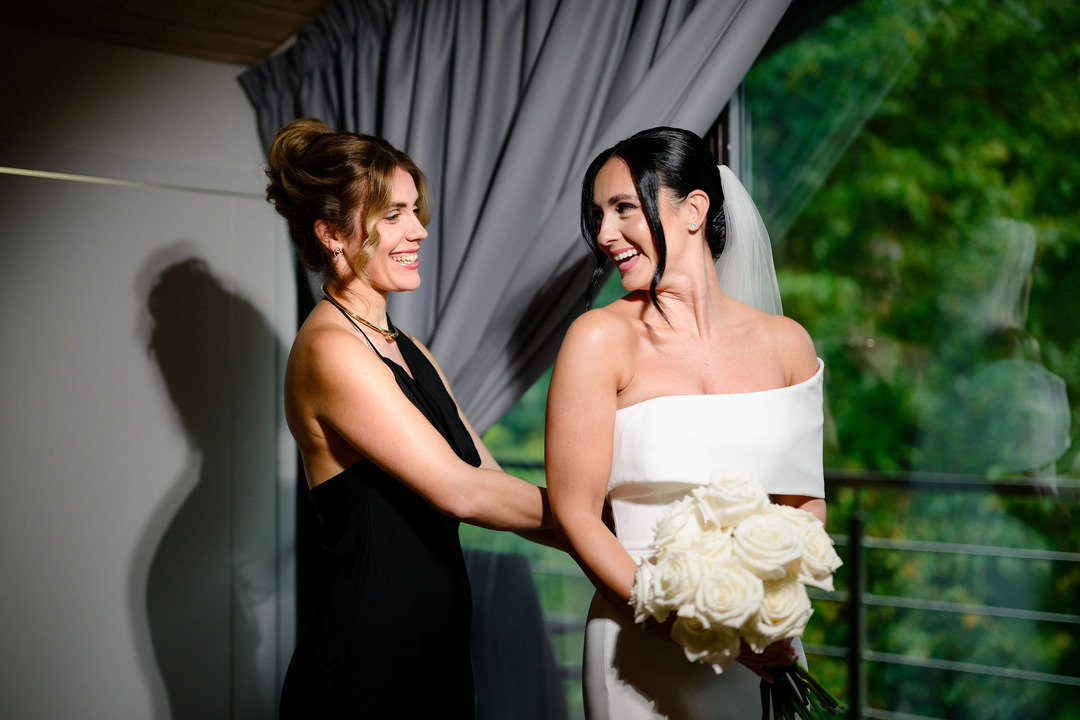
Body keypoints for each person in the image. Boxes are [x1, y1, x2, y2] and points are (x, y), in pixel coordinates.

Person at [264, 118, 552, 719]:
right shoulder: (330, 350)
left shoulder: (409, 347)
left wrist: (613, 544)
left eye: (414, 210)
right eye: (393, 215)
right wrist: (599, 521)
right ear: (331, 234)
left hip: (437, 654)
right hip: (365, 666)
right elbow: (460, 493)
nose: (419, 229)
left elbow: (490, 479)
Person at [545, 127, 826, 719]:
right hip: (639, 644)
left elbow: (804, 504)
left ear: (694, 209)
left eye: (624, 208)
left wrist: (766, 613)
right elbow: (576, 514)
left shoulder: (787, 344)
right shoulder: (597, 340)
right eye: (598, 215)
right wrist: (681, 623)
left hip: (761, 646)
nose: (605, 234)